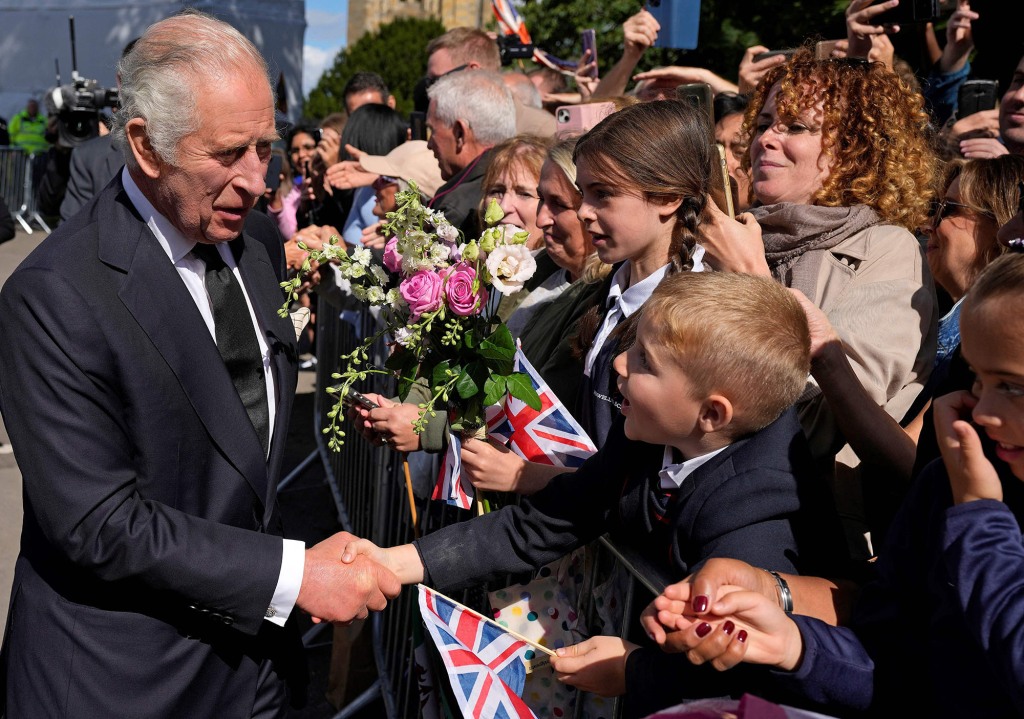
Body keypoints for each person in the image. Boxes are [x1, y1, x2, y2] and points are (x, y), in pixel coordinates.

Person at [0, 12, 399, 718]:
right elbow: (99, 521)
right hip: (123, 680)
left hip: (254, 672)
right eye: (228, 153)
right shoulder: (55, 294)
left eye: (265, 148)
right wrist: (292, 573)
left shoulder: (252, 247)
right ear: (146, 148)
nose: (258, 180)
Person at [340, 271, 846, 716]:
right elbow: (546, 521)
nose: (619, 364)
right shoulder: (653, 433)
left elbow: (743, 666)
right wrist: (389, 562)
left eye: (645, 361)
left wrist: (635, 672)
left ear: (711, 414)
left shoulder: (756, 511)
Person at [646, 251, 1024, 717]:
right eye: (978, 381)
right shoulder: (951, 486)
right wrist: (794, 643)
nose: (982, 411)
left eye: (1012, 386)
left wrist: (981, 524)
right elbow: (892, 656)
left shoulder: (973, 505)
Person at [702, 49, 938, 556]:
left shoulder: (887, 250)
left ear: (853, 148)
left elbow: (828, 414)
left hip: (806, 535)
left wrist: (751, 280)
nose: (766, 138)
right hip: (699, 507)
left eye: (797, 127)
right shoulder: (739, 235)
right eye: (764, 122)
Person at [425, 70, 517, 237]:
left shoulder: (458, 208)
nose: (429, 144)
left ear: (460, 133)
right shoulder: (533, 176)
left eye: (432, 130)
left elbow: (418, 261)